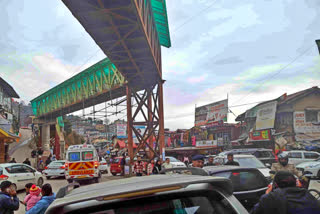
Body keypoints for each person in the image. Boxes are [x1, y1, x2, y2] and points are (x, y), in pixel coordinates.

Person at [251, 171, 320, 214]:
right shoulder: (307, 194)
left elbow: (255, 211)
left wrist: (267, 195)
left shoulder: (271, 197)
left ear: (276, 184)